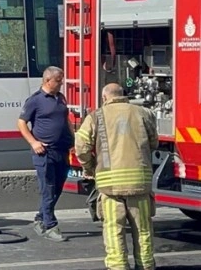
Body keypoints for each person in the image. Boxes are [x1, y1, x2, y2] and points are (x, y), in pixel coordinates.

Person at [74, 83, 159, 270]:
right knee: (143, 229)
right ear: (123, 95)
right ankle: (145, 265)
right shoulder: (145, 113)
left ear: (105, 98)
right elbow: (154, 142)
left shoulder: (95, 116)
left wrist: (89, 168)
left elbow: (81, 146)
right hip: (139, 183)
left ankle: (118, 266)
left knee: (114, 229)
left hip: (110, 186)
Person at [17, 66, 74, 242]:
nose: (62, 83)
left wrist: (75, 140)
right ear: (48, 80)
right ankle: (50, 225)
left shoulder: (61, 99)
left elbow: (66, 121)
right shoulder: (35, 100)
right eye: (59, 80)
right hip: (45, 152)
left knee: (57, 187)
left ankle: (40, 218)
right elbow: (21, 123)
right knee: (47, 188)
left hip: (62, 150)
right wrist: (34, 143)